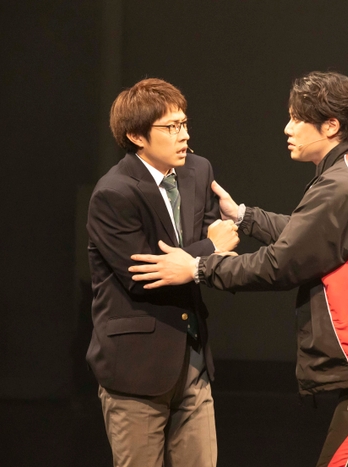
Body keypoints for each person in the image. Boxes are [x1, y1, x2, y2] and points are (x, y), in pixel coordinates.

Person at [128, 71, 348, 467]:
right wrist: (245, 217)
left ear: (330, 126)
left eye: (297, 118)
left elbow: (281, 264)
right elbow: (314, 238)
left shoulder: (341, 185)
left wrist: (198, 268)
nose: (287, 128)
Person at [86, 77, 239, 467]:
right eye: (171, 127)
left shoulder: (198, 171)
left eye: (184, 124)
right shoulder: (114, 192)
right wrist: (210, 248)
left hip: (192, 358)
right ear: (137, 136)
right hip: (135, 369)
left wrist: (215, 245)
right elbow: (143, 275)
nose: (184, 135)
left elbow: (213, 244)